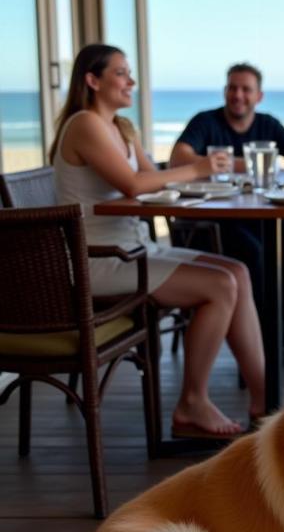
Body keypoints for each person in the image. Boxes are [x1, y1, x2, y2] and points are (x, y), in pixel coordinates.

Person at [52, 44, 265, 438]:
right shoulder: (85, 124)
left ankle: (263, 402)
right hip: (96, 260)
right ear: (93, 80)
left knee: (237, 270)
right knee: (220, 285)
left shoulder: (120, 130)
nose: (131, 81)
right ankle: (191, 404)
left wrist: (202, 177)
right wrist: (195, 167)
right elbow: (134, 184)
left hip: (131, 249)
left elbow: (154, 184)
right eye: (121, 73)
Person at [170, 63, 284, 352]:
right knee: (254, 256)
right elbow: (178, 158)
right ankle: (258, 344)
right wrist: (249, 163)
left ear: (259, 96)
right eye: (232, 88)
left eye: (246, 89)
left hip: (258, 216)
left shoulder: (267, 124)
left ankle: (277, 328)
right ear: (224, 91)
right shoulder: (206, 121)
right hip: (213, 220)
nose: (238, 95)